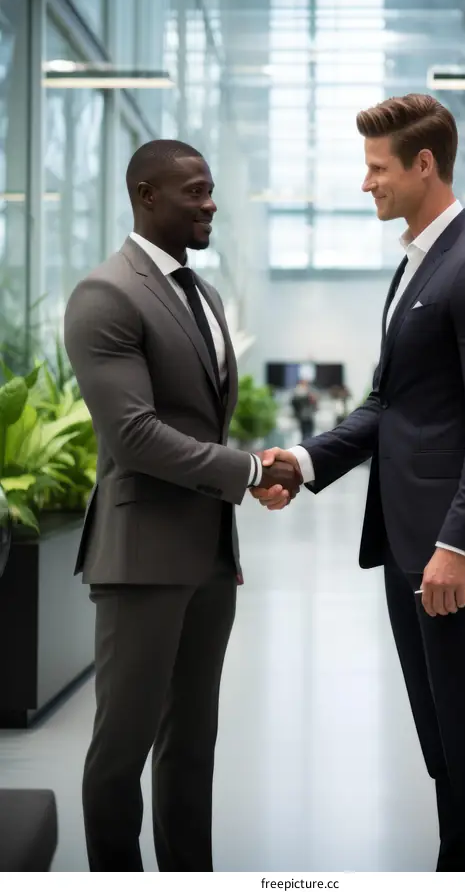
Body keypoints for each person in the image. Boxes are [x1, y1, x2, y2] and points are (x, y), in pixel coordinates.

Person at [254, 95, 465, 872]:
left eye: (377, 168)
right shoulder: (419, 264)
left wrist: (457, 545)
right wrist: (302, 465)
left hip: (446, 555)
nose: (365, 182)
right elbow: (390, 406)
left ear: (424, 165)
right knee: (442, 740)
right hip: (412, 547)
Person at [64, 139, 298, 872]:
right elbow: (134, 436)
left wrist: (242, 477)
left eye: (212, 189)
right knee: (120, 751)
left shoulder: (202, 293)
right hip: (141, 561)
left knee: (193, 745)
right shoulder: (106, 294)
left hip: (206, 556)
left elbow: (201, 420)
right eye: (196, 191)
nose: (211, 204)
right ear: (146, 194)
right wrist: (250, 468)